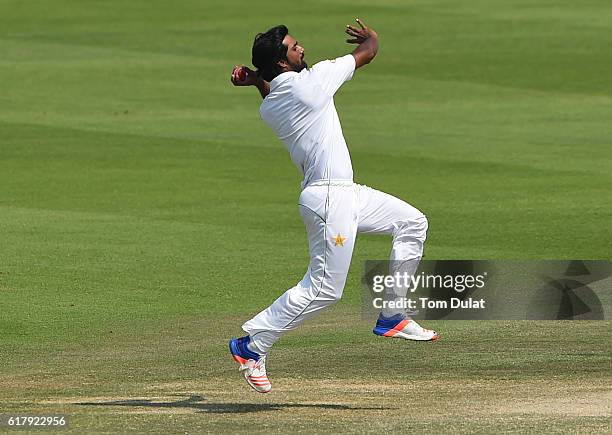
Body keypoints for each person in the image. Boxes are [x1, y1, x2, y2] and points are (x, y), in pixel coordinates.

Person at [228, 19, 438, 393]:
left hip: (345, 193)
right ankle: (252, 344)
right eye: (294, 48)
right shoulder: (314, 83)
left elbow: (271, 87)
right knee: (325, 289)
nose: (302, 49)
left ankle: (392, 313)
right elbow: (366, 54)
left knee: (412, 223)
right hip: (329, 199)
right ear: (281, 63)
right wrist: (373, 37)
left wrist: (254, 80)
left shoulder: (272, 103)